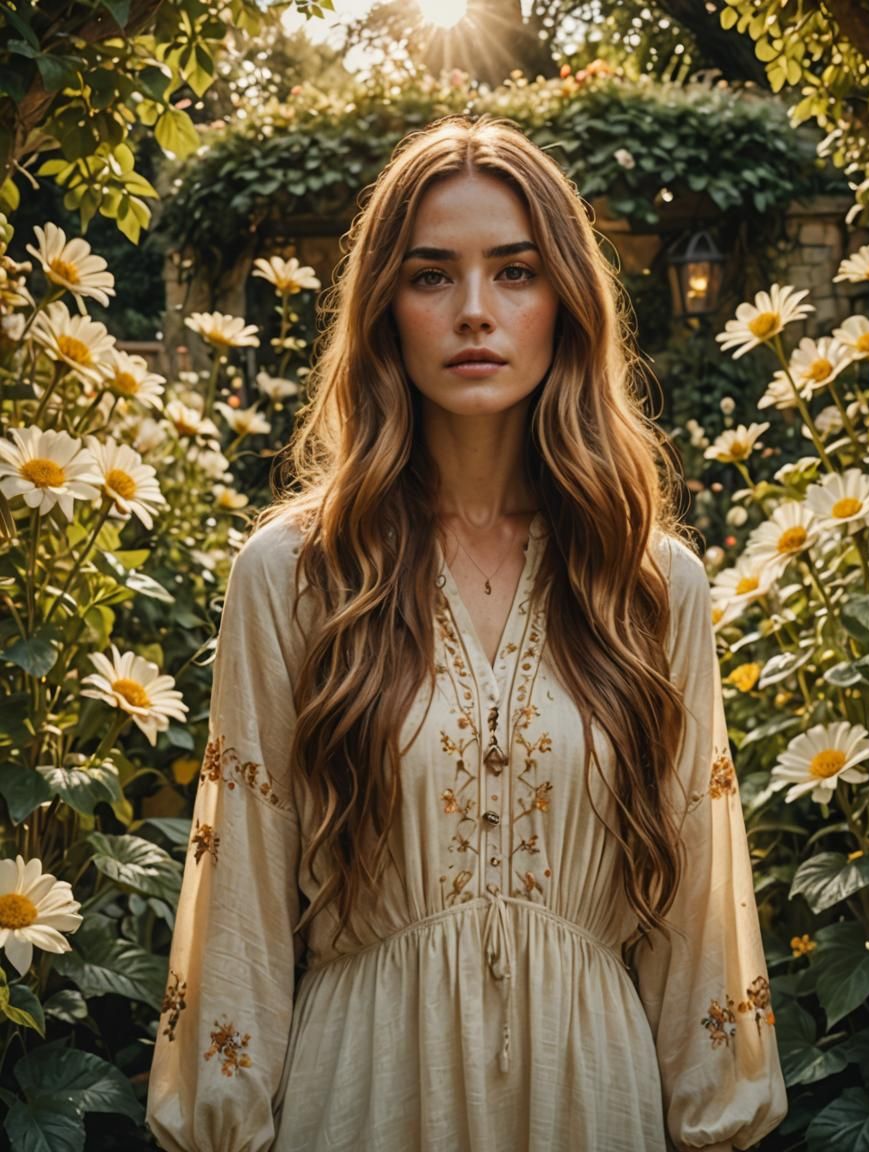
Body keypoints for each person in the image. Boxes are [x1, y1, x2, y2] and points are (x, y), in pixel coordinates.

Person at [146, 115, 787, 1152]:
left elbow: (697, 911)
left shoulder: (648, 583)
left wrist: (714, 1120)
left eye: (517, 272)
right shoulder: (298, 574)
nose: (476, 311)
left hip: (591, 1096)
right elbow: (242, 903)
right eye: (432, 275)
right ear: (384, 310)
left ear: (566, 305)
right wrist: (224, 1122)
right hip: (361, 1093)